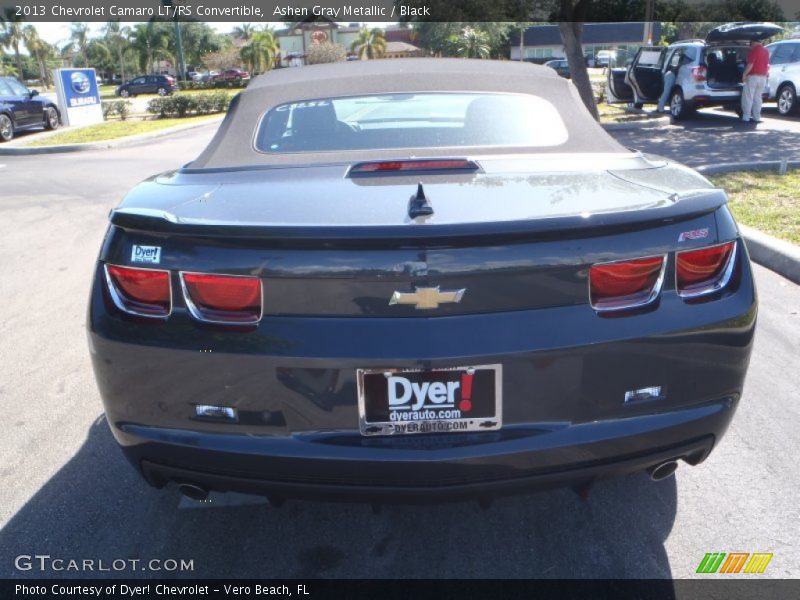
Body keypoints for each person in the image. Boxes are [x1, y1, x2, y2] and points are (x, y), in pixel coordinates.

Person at [741, 41, 770, 123]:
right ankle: (756, 117)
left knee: (748, 97)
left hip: (753, 76)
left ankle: (746, 117)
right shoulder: (766, 51)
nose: (750, 44)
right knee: (758, 98)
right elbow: (767, 65)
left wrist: (744, 74)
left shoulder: (754, 51)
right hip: (763, 77)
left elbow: (750, 64)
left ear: (754, 42)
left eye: (751, 42)